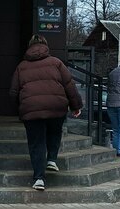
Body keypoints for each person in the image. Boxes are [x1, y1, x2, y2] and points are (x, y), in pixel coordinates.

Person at [9, 34, 83, 191]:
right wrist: (76, 106)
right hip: (56, 106)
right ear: (45, 46)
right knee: (54, 132)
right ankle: (51, 160)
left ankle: (39, 179)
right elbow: (69, 85)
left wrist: (22, 108)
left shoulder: (21, 66)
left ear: (30, 47)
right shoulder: (56, 63)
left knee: (37, 143)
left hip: (31, 109)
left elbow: (14, 92)